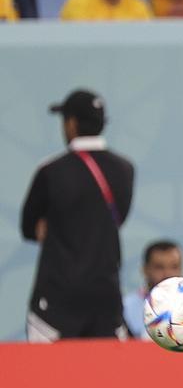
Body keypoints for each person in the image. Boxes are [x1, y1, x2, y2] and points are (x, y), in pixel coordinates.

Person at [21, 89, 135, 342]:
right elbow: (120, 217)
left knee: (50, 378)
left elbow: (29, 227)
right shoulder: (126, 169)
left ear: (71, 123)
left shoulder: (51, 170)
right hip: (106, 297)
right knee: (105, 378)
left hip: (57, 300)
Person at [122, 240, 183, 339]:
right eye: (159, 267)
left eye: (174, 267)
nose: (167, 274)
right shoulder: (125, 307)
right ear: (145, 269)